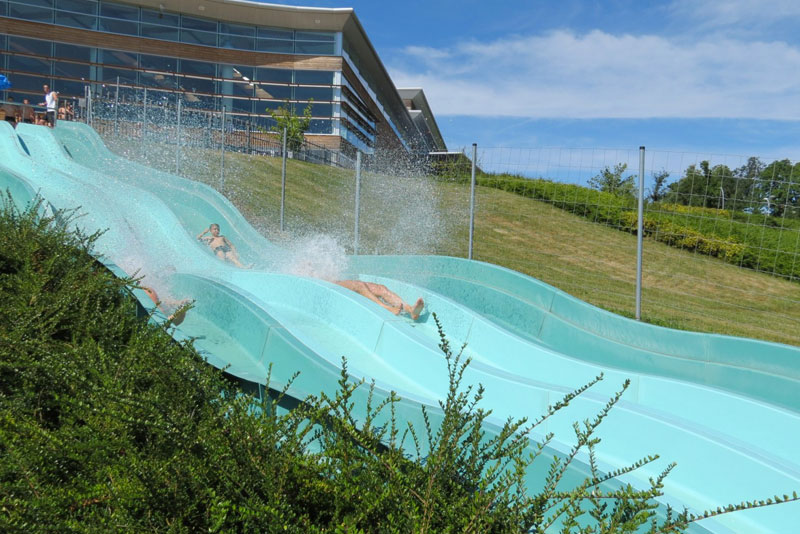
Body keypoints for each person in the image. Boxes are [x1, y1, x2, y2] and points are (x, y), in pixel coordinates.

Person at [335, 279, 425, 320]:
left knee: (380, 288)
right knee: (358, 285)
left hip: (338, 280)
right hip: (331, 283)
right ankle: (384, 307)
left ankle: (410, 310)